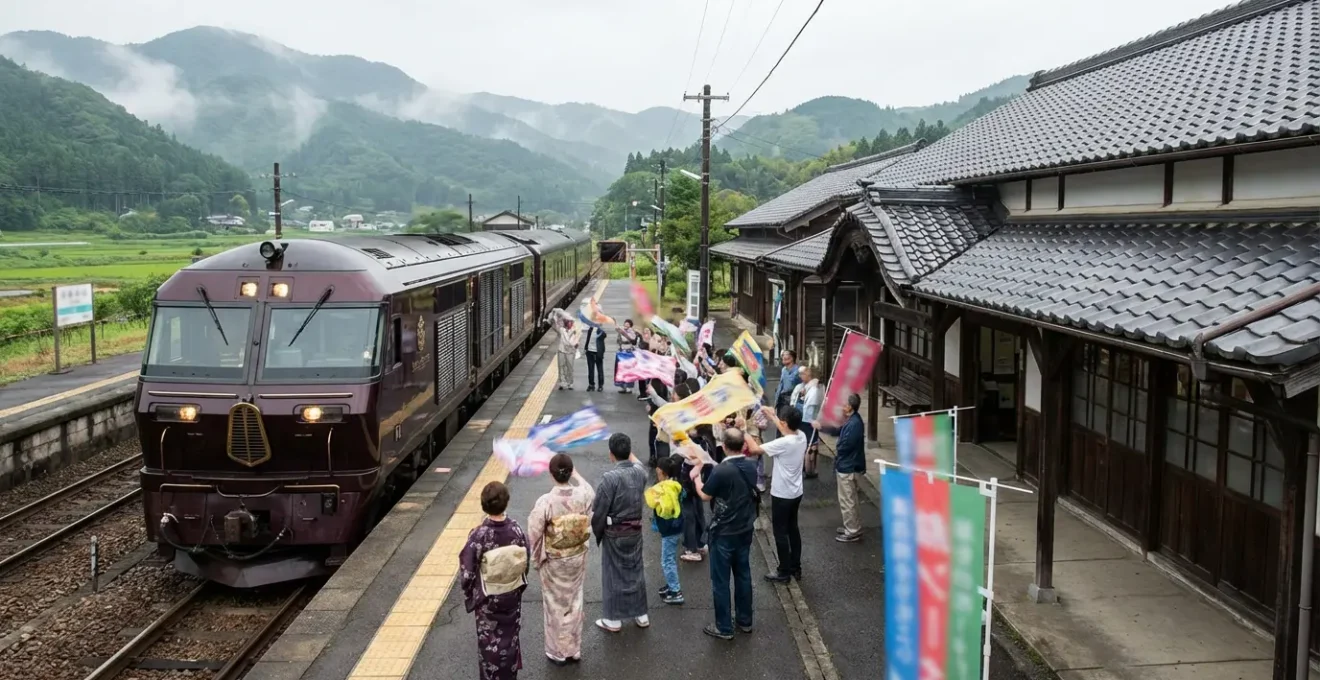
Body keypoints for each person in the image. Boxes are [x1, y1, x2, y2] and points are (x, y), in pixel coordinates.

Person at [690, 427, 758, 640]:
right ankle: (745, 620)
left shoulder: (721, 471)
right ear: (743, 445)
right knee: (743, 574)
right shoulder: (751, 466)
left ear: (724, 446)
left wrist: (696, 479)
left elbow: (705, 496)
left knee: (720, 580)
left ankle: (724, 627)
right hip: (745, 528)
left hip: (724, 532)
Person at [526, 454, 595, 666]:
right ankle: (574, 649)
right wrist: (576, 474)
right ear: (570, 471)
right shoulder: (582, 495)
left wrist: (536, 558)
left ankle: (557, 651)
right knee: (575, 600)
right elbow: (591, 491)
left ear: (551, 474)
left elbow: (534, 533)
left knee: (555, 604)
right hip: (576, 557)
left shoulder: (545, 502)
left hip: (554, 561)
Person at [459, 482, 530, 680]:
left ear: (484, 505)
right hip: (512, 595)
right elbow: (525, 562)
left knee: (489, 644)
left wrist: (470, 594)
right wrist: (515, 586)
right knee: (510, 639)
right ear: (505, 503)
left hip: (488, 600)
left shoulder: (479, 535)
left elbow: (467, 572)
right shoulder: (517, 530)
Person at [591, 433, 651, 632]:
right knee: (636, 570)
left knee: (612, 573)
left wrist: (598, 532)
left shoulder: (610, 478)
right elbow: (638, 464)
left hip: (614, 531)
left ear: (611, 454)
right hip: (635, 530)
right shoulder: (641, 473)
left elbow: (599, 509)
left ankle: (613, 619)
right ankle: (641, 615)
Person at [745, 405, 806, 583]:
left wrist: (744, 430)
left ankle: (783, 571)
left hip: (782, 494)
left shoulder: (783, 443)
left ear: (786, 422)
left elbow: (755, 449)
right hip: (796, 492)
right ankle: (796, 567)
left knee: (780, 532)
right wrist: (772, 416)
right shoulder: (800, 436)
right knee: (793, 529)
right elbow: (784, 428)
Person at [814, 393, 866, 542]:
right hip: (848, 464)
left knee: (847, 500)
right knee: (849, 499)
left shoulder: (854, 424)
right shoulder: (852, 420)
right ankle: (851, 525)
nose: (841, 407)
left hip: (848, 466)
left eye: (844, 404)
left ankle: (853, 530)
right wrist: (821, 427)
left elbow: (845, 445)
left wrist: (838, 450)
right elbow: (837, 431)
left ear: (849, 407)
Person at [645, 455, 686, 605]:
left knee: (667, 561)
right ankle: (671, 586)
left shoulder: (664, 490)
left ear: (662, 472)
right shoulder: (676, 485)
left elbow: (659, 507)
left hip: (669, 530)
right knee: (668, 559)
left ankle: (676, 591)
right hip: (676, 527)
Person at [792, 366, 824, 479]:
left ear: (809, 374)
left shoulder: (815, 389)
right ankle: (807, 467)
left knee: (811, 445)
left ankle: (810, 469)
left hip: (809, 421)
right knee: (806, 443)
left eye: (802, 374)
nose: (800, 376)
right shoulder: (805, 387)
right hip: (805, 420)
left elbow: (810, 408)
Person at [554, 318, 579, 391]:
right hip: (561, 350)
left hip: (570, 352)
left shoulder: (574, 331)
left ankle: (570, 383)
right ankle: (562, 383)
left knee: (570, 367)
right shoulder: (562, 330)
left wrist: (575, 343)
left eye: (570, 322)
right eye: (567, 322)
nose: (569, 324)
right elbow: (555, 326)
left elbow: (576, 343)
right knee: (561, 366)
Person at [615, 319, 638, 394]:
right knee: (621, 369)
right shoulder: (621, 331)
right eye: (625, 323)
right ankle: (622, 386)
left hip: (629, 353)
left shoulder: (632, 332)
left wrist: (623, 332)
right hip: (622, 351)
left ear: (630, 325)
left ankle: (629, 387)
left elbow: (633, 340)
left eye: (628, 324)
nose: (626, 325)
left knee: (629, 370)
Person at [583, 320, 606, 392]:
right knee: (590, 369)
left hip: (598, 352)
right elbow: (588, 339)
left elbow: (604, 335)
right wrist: (585, 348)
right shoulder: (590, 329)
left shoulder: (600, 331)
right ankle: (591, 385)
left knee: (599, 369)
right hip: (589, 351)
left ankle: (600, 385)